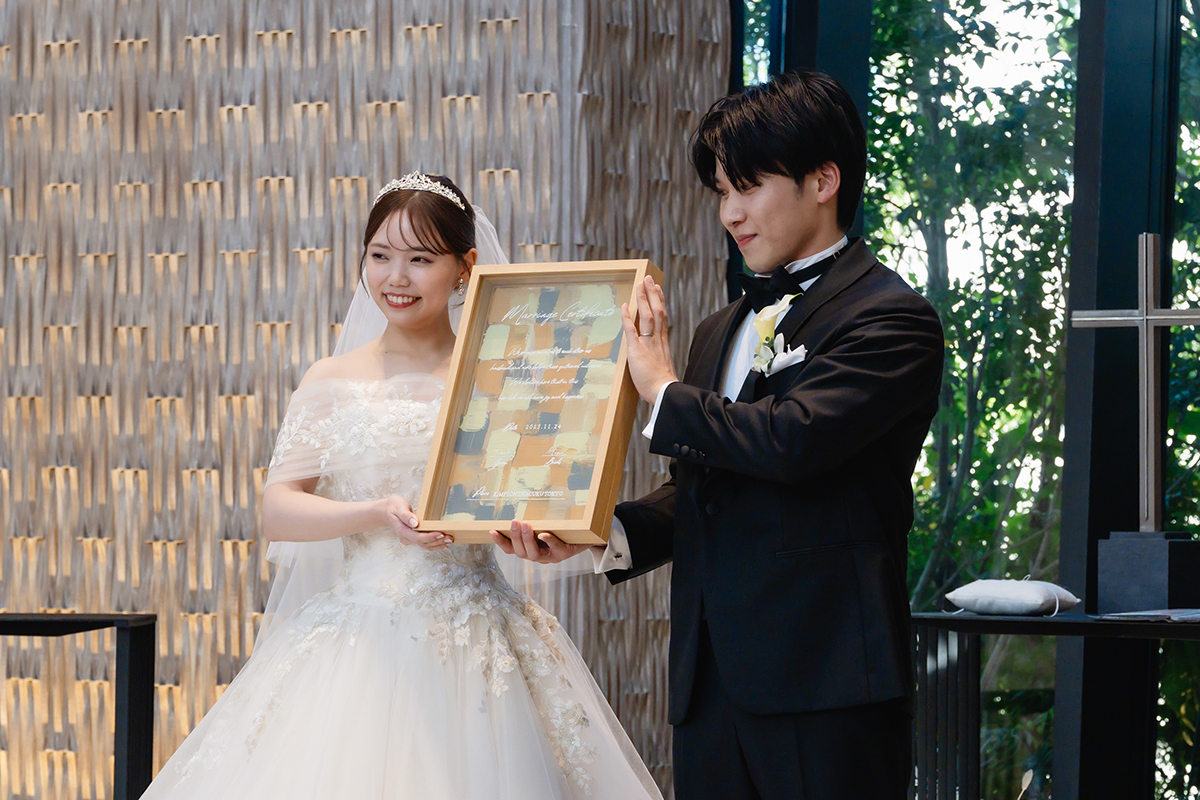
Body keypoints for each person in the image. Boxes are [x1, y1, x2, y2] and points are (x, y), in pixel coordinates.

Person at [139, 173, 663, 800]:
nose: (396, 278)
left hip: (478, 635)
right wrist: (375, 512)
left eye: (420, 259)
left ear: (465, 267)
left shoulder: (503, 375)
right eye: (380, 256)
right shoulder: (330, 380)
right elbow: (278, 509)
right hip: (356, 641)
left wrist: (537, 523)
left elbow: (532, 480)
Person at [498, 72, 945, 799]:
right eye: (720, 192)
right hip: (708, 691)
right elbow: (706, 488)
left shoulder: (891, 319)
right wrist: (601, 532)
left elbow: (791, 443)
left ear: (823, 180)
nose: (730, 213)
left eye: (748, 187)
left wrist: (660, 388)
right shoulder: (719, 329)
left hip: (827, 687)